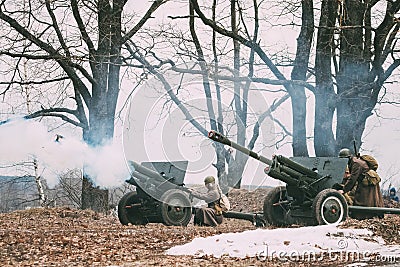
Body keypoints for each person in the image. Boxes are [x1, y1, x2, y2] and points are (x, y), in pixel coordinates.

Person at [338, 148, 384, 219]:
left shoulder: (356, 163)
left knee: (366, 201)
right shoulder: (353, 162)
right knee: (362, 199)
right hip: (364, 182)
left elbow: (352, 179)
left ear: (348, 158)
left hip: (368, 182)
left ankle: (368, 217)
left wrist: (344, 190)